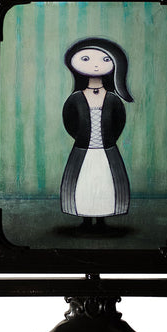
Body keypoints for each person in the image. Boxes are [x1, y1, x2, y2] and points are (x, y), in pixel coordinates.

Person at [60, 38, 134, 229]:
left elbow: (119, 122)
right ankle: (85, 219)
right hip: (82, 149)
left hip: (107, 149)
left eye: (105, 59)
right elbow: (69, 121)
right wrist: (81, 138)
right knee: (83, 183)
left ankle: (101, 219)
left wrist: (108, 139)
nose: (95, 65)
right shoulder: (76, 98)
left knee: (105, 183)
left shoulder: (113, 99)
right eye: (85, 59)